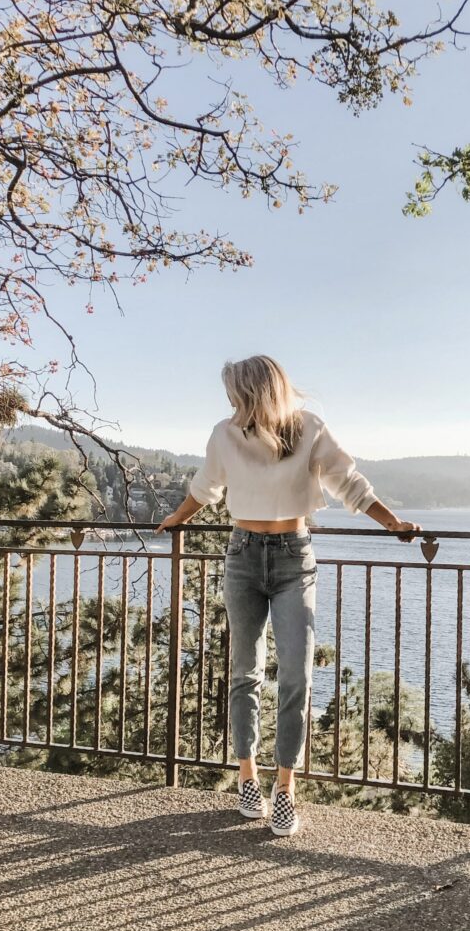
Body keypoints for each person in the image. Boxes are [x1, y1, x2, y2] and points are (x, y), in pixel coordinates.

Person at [155, 355, 421, 836]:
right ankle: (248, 779)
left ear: (256, 390)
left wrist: (394, 523)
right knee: (244, 672)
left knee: (296, 674)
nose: (231, 400)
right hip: (241, 555)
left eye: (235, 391)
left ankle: (286, 789)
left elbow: (349, 483)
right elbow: (205, 487)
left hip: (293, 558)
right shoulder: (225, 434)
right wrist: (177, 519)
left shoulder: (309, 428)